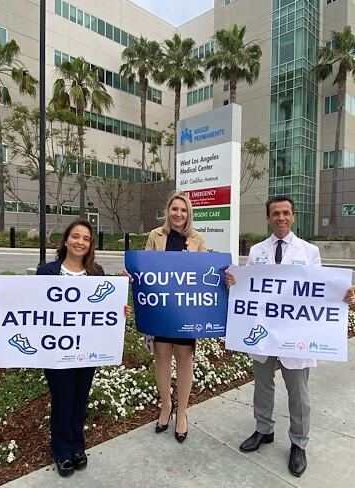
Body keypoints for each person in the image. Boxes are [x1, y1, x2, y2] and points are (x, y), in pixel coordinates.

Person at [226, 195, 321, 478]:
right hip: (264, 331)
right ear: (268, 219)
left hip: (294, 333)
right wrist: (235, 282)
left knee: (299, 393)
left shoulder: (309, 251)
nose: (280, 218)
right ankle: (263, 429)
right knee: (263, 385)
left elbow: (320, 290)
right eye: (275, 214)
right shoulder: (256, 251)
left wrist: (342, 295)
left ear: (293, 217)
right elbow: (249, 289)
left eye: (286, 213)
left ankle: (298, 443)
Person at [35, 219, 132, 477]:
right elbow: (30, 306)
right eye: (75, 236)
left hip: (87, 348)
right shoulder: (47, 272)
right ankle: (62, 450)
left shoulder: (96, 273)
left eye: (86, 238)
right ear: (66, 240)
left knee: (80, 399)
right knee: (63, 400)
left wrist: (120, 310)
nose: (80, 242)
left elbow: (105, 306)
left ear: (90, 245)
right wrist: (1, 302)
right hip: (56, 349)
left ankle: (78, 446)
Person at [125, 190, 206, 443]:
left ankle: (182, 412)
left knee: (184, 360)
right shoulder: (155, 236)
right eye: (174, 209)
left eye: (183, 210)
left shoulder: (197, 239)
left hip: (185, 311)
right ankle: (166, 407)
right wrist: (133, 274)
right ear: (168, 212)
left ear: (188, 214)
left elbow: (204, 275)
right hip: (160, 309)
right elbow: (144, 268)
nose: (178, 213)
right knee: (161, 357)